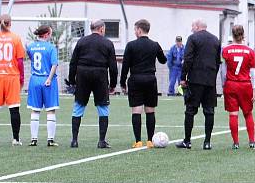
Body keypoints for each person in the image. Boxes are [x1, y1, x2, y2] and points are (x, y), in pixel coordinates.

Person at [68, 19, 118, 148]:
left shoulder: (81, 41)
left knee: (78, 106)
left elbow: (73, 62)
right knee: (103, 107)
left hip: (82, 74)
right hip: (100, 75)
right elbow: (113, 66)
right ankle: (101, 141)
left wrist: (72, 81)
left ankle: (74, 140)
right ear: (101, 28)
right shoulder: (107, 43)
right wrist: (113, 84)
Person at [120, 19, 167, 148]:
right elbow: (163, 60)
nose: (135, 32)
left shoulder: (131, 45)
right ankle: (150, 141)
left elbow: (125, 66)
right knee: (150, 110)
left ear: (139, 30)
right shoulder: (155, 45)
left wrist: (122, 82)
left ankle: (138, 141)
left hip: (135, 79)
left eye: (135, 30)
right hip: (150, 79)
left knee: (136, 110)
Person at [176, 19, 222, 150]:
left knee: (190, 110)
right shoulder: (215, 39)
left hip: (195, 79)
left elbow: (188, 59)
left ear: (197, 27)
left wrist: (183, 77)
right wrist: (213, 76)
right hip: (210, 81)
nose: (191, 29)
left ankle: (187, 141)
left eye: (192, 26)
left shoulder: (192, 38)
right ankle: (207, 142)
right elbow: (217, 61)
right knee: (209, 111)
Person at [0, 14, 26, 145]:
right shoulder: (16, 38)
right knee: (14, 109)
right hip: (11, 77)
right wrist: (22, 78)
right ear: (10, 23)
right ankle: (16, 139)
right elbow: (20, 61)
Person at [222, 24, 255, 150]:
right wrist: (254, 89)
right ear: (243, 35)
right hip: (245, 85)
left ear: (232, 35)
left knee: (233, 114)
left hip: (231, 84)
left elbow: (223, 71)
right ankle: (252, 141)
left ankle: (236, 143)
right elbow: (252, 72)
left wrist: (223, 85)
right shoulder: (250, 51)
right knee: (248, 113)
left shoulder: (226, 50)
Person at [26, 25, 60, 147]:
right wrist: (49, 79)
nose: (51, 36)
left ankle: (33, 139)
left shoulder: (31, 47)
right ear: (46, 34)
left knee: (35, 110)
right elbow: (54, 64)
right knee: (50, 110)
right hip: (47, 80)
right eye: (50, 33)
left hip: (35, 80)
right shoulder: (51, 48)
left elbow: (30, 57)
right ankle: (50, 139)